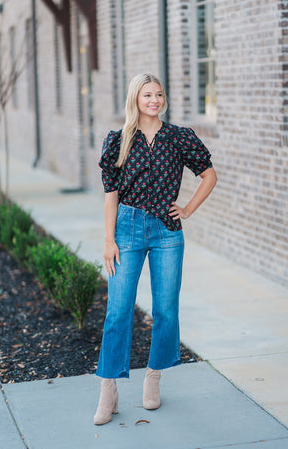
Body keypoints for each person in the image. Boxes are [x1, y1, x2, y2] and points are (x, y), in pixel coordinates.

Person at [94, 73, 217, 425]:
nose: (154, 100)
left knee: (165, 309)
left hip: (167, 231)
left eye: (158, 94)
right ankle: (109, 388)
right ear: (135, 98)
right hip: (127, 230)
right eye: (147, 94)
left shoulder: (179, 138)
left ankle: (153, 377)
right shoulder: (118, 140)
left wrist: (188, 208)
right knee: (118, 310)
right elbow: (111, 196)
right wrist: (108, 239)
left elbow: (209, 175)